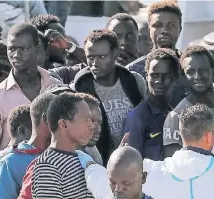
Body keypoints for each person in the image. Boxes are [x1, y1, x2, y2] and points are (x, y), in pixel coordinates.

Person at [0, 22, 60, 162]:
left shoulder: (55, 87)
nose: (16, 55)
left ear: (37, 48)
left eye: (23, 49)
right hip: (13, 181)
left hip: (55, 178)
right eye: (12, 49)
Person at [32, 92, 94, 199]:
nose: (91, 125)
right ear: (63, 124)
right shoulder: (47, 166)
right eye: (85, 120)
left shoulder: (84, 160)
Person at [71, 29, 146, 165]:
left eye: (102, 57)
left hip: (133, 160)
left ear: (115, 53)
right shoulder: (78, 88)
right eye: (91, 57)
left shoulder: (133, 81)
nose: (95, 63)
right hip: (97, 162)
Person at [127, 0, 189, 107]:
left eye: (171, 26)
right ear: (149, 29)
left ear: (180, 29)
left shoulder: (192, 69)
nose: (164, 30)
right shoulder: (132, 72)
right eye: (158, 25)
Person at [123, 48, 179, 160]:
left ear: (175, 78)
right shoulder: (137, 118)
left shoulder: (176, 114)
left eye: (165, 76)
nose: (159, 81)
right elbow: (131, 163)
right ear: (146, 76)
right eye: (154, 75)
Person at [163, 46, 214, 158]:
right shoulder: (175, 117)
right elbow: (175, 166)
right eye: (190, 72)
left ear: (212, 71)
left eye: (203, 70)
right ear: (183, 77)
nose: (197, 76)